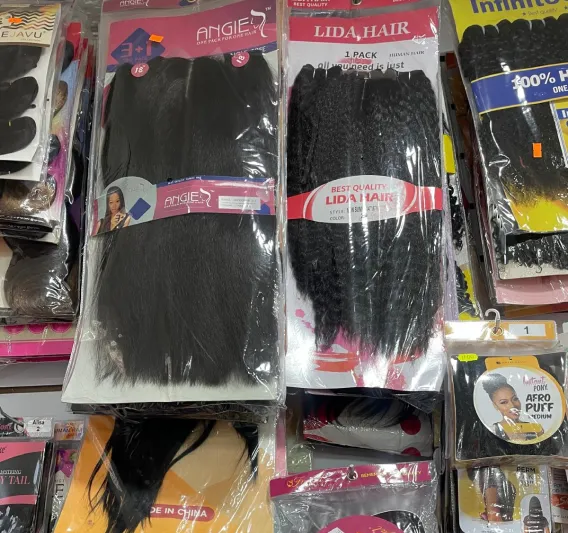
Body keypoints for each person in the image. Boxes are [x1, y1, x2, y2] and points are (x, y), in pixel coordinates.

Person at [481, 373, 544, 441]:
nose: (512, 405)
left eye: (515, 399)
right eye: (504, 402)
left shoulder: (535, 429)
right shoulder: (492, 431)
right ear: (495, 406)